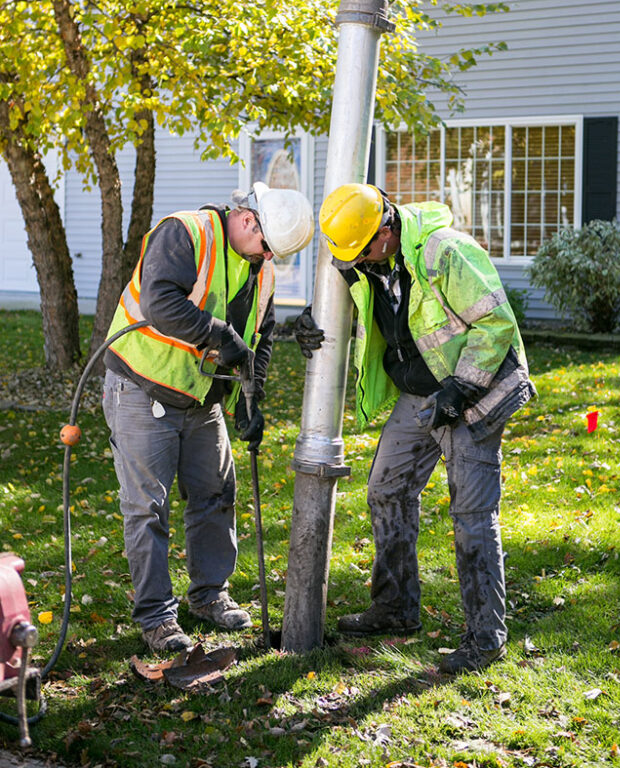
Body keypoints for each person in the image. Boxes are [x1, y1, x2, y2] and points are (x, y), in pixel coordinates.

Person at [296, 182, 535, 675]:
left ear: (386, 229)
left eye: (364, 252)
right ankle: (396, 608)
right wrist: (308, 318)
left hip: (476, 393)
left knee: (471, 514)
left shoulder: (445, 252)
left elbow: (496, 324)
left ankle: (484, 639)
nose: (357, 263)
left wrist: (459, 390)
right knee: (386, 488)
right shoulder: (364, 255)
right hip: (420, 392)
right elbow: (340, 288)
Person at [103, 182, 314, 654]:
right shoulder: (186, 233)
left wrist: (249, 404)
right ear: (246, 219)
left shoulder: (262, 271)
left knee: (216, 494)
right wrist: (220, 337)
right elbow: (160, 303)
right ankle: (157, 617)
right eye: (264, 246)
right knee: (147, 508)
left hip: (201, 401)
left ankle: (209, 594)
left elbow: (258, 341)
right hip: (142, 387)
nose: (266, 257)